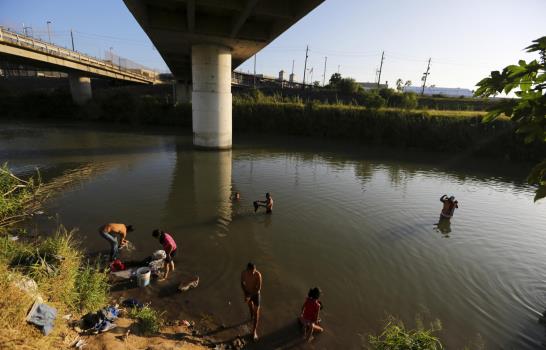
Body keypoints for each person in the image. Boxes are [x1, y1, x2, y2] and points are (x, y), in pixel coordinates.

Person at [240, 262, 262, 341]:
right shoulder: (243, 273)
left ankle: (254, 331)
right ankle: (251, 317)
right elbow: (242, 283)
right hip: (248, 293)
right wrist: (245, 293)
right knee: (250, 308)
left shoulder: (258, 275)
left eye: (254, 271)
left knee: (256, 312)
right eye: (251, 271)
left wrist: (250, 296)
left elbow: (258, 288)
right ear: (247, 270)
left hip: (255, 294)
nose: (253, 273)